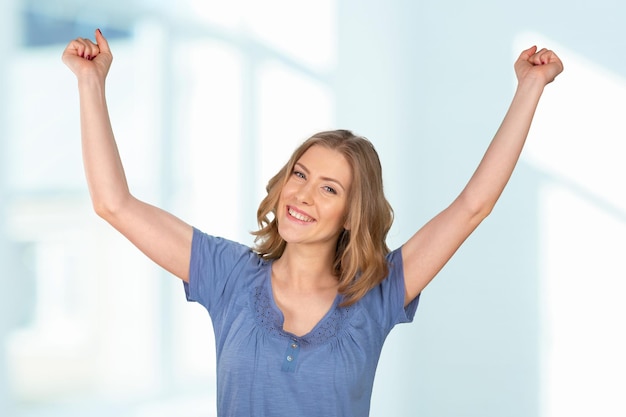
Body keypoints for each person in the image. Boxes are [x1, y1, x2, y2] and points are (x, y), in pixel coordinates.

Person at [62, 29, 563, 417]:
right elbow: (114, 204)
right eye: (299, 174)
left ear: (352, 215)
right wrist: (91, 82)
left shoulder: (379, 293)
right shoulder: (228, 274)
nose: (302, 194)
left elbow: (473, 205)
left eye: (329, 188)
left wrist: (530, 87)